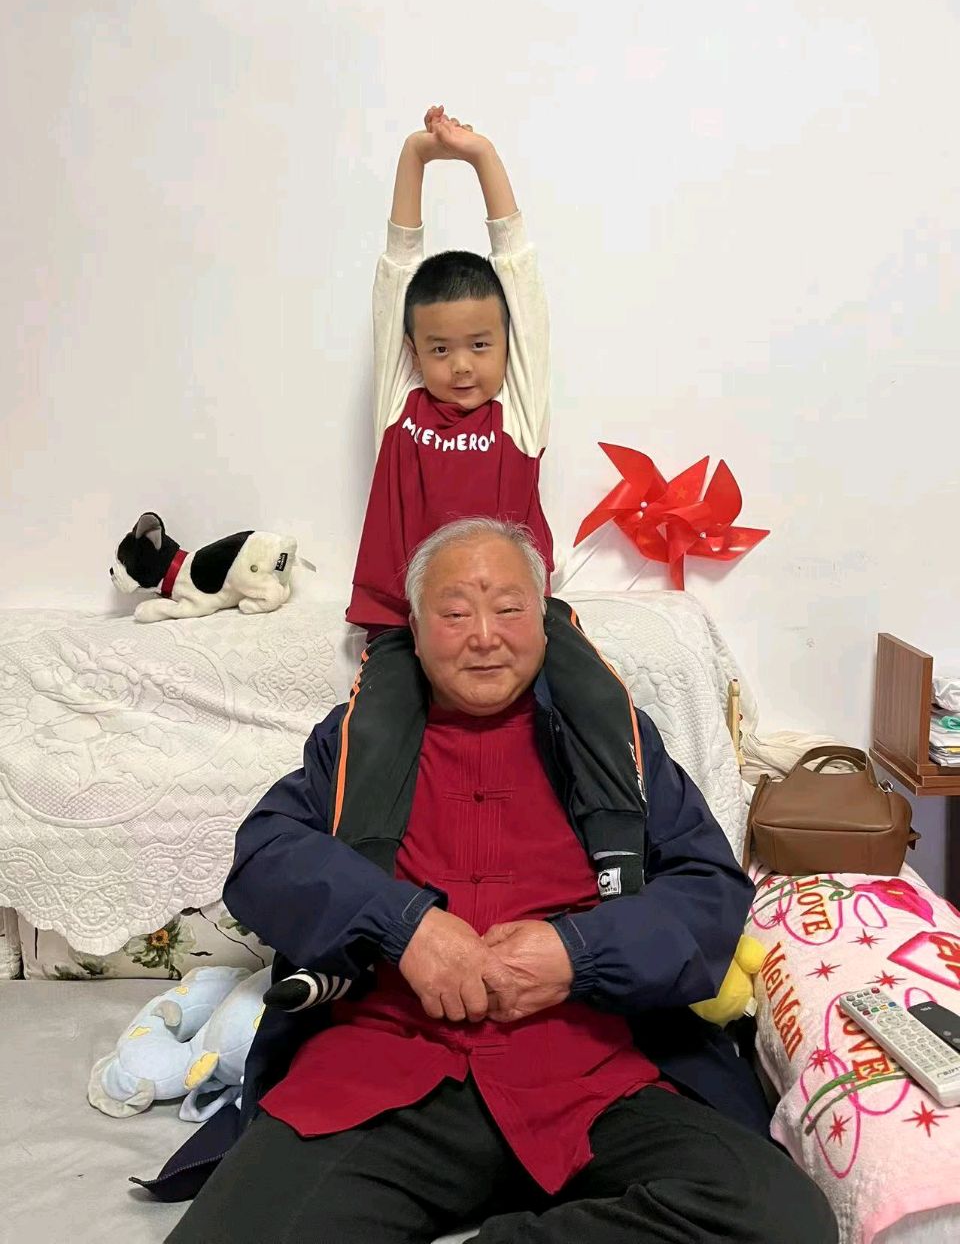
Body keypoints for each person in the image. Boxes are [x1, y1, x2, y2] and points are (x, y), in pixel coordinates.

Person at [164, 519, 837, 1244]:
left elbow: (708, 889)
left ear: (543, 621)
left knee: (781, 1221)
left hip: (592, 1071)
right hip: (386, 1071)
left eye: (509, 609)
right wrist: (404, 926)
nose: (484, 636)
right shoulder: (358, 736)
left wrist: (578, 952)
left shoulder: (616, 736)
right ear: (416, 631)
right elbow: (266, 856)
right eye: (455, 613)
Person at [331, 106, 651, 928]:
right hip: (407, 621)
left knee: (594, 692)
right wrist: (414, 155)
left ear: (507, 348)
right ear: (413, 352)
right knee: (375, 729)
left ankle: (620, 859)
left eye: (480, 344)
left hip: (519, 612)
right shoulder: (400, 410)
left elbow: (520, 273)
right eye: (439, 349)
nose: (462, 365)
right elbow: (397, 272)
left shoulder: (520, 410)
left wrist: (481, 158)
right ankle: (361, 894)